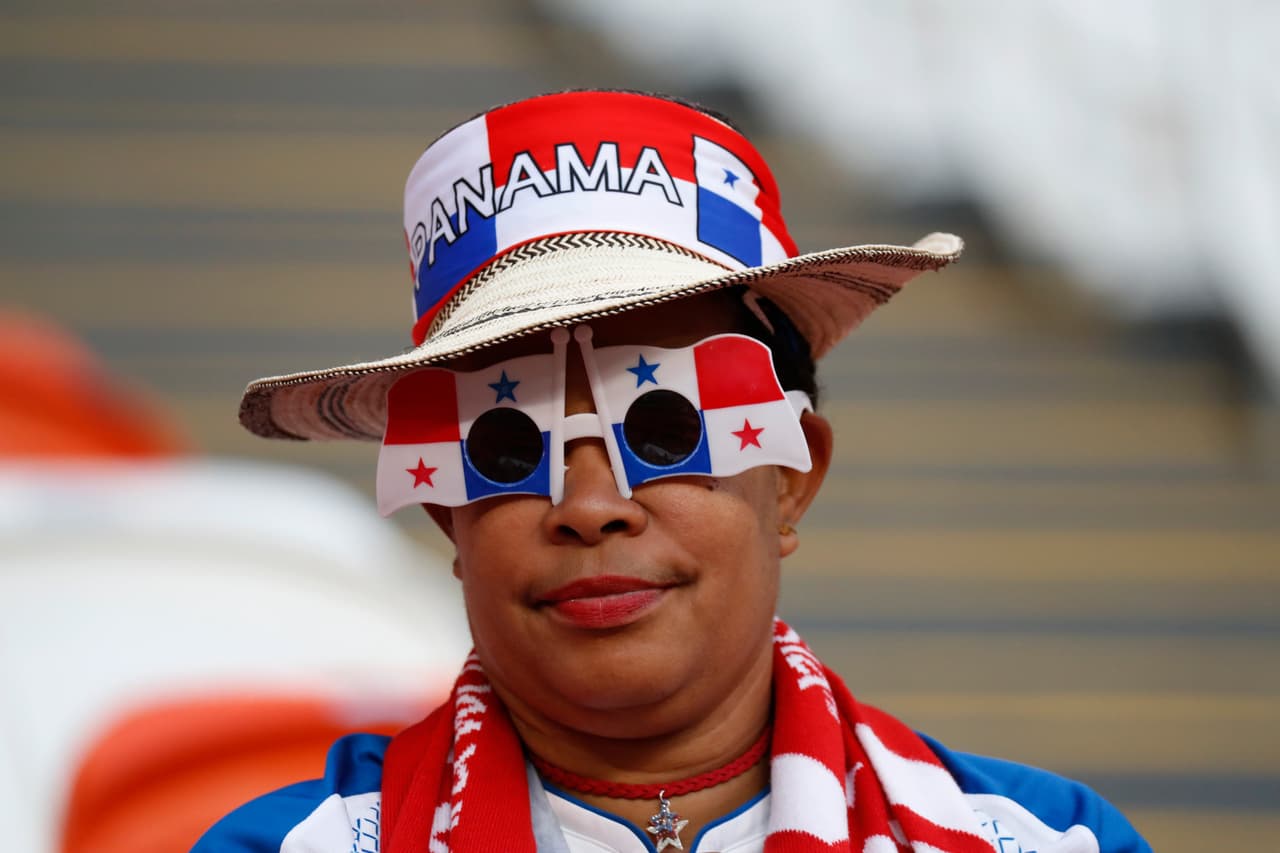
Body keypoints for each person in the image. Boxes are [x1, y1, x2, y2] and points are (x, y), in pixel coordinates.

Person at [197, 90, 1152, 852]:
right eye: (502, 445)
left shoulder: (1045, 841)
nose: (588, 505)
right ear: (448, 515)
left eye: (665, 426)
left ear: (792, 477)